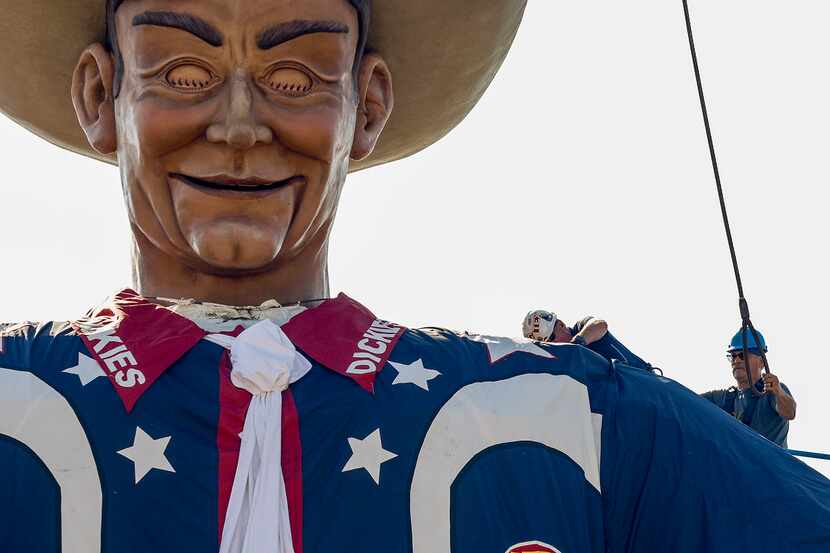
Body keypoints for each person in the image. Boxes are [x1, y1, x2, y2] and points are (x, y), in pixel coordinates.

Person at [0, 1, 828, 552]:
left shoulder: (578, 424)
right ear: (101, 94)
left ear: (368, 103)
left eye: (296, 78)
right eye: (184, 73)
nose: (240, 124)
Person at [702, 329, 796, 447]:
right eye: (733, 356)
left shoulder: (771, 391)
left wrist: (778, 392)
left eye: (742, 355)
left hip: (768, 464)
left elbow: (790, 413)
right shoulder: (725, 398)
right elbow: (688, 401)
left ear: (761, 362)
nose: (736, 361)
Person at [522, 310, 655, 371]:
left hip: (645, 381)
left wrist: (577, 344)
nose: (552, 346)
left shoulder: (583, 327)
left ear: (561, 324)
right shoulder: (562, 362)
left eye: (551, 339)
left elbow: (599, 324)